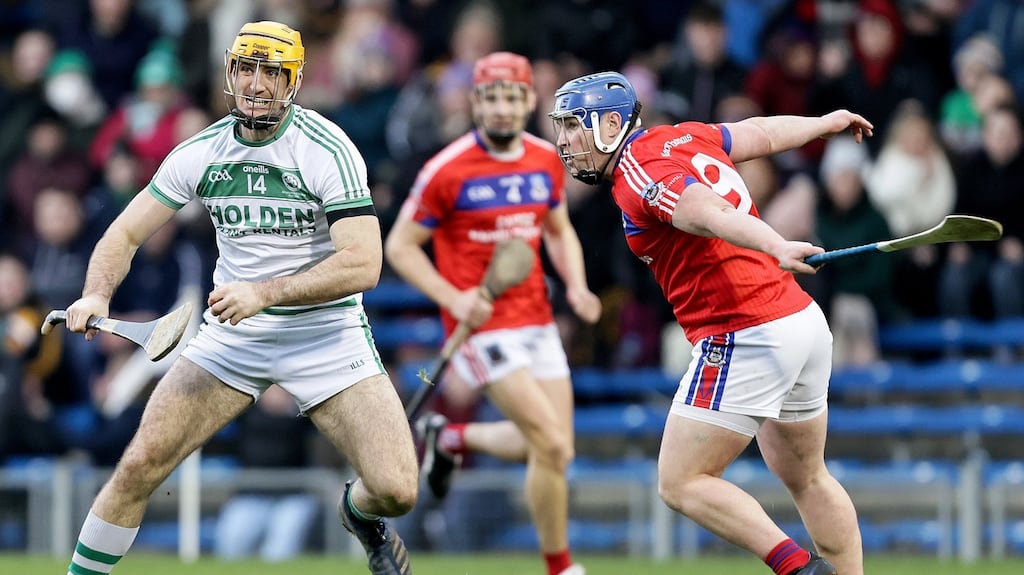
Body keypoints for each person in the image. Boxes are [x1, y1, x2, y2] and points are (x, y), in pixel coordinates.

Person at [58, 21, 417, 575]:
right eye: (246, 68)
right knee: (139, 465)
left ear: (293, 81)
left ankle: (358, 515)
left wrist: (265, 293)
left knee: (396, 491)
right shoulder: (201, 151)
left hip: (324, 334)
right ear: (230, 73)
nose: (256, 83)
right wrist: (95, 294)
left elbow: (364, 263)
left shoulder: (327, 148)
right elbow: (124, 233)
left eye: (272, 71)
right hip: (233, 337)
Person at [548, 72, 873, 575]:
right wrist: (822, 124)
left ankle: (800, 569)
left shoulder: (637, 170)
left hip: (747, 330)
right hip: (801, 323)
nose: (564, 141)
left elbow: (709, 211)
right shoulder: (682, 134)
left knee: (680, 481)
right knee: (809, 478)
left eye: (573, 126)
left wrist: (775, 243)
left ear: (611, 124)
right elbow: (760, 133)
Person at [384, 52, 601, 575]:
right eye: (491, 98)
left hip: (536, 317)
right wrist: (453, 298)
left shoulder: (547, 158)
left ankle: (451, 437)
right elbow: (401, 247)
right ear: (476, 102)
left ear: (530, 101)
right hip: (481, 328)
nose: (503, 109)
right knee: (548, 440)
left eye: (512, 97)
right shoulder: (446, 170)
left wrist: (576, 285)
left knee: (556, 451)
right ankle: (562, 567)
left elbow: (558, 230)